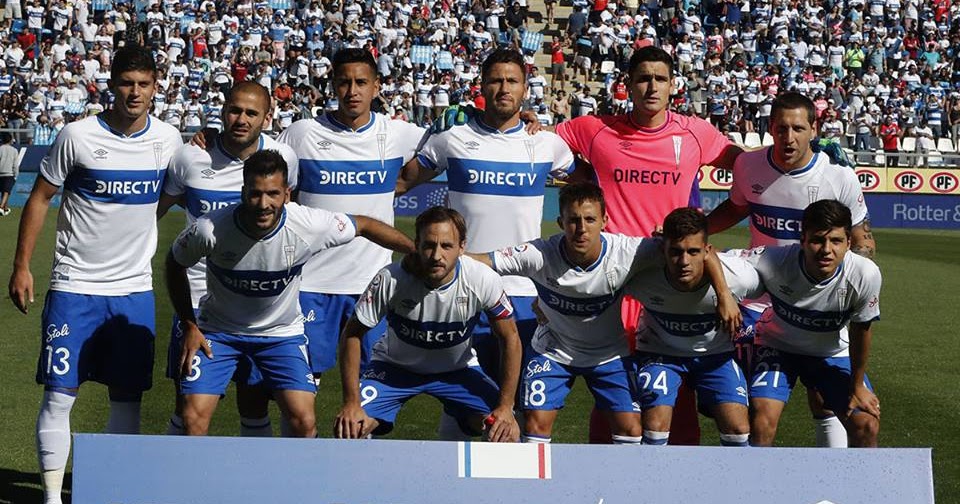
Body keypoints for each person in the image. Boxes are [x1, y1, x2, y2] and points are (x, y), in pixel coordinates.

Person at [8, 45, 183, 504]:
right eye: (127, 83)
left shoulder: (169, 140)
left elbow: (178, 190)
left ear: (155, 87)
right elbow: (41, 198)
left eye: (144, 84)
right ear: (112, 85)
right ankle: (50, 497)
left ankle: (111, 492)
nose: (135, 92)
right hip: (75, 287)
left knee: (127, 398)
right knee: (60, 396)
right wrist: (22, 266)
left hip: (133, 291)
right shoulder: (77, 136)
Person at [555, 45, 742, 445]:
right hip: (620, 280)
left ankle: (676, 482)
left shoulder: (695, 133)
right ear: (628, 86)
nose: (651, 86)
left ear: (673, 85)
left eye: (660, 78)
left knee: (678, 387)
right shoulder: (596, 130)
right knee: (615, 387)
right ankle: (607, 479)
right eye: (643, 78)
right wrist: (534, 123)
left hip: (675, 278)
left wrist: (702, 228)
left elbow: (747, 171)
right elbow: (547, 144)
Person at [468, 183, 740, 445]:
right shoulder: (539, 253)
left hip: (609, 353)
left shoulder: (630, 252)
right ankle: (537, 488)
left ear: (604, 220)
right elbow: (482, 261)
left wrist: (724, 294)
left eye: (589, 219)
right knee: (535, 423)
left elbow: (700, 252)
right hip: (554, 350)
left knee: (632, 429)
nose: (581, 229)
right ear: (561, 222)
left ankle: (623, 491)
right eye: (573, 220)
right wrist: (446, 255)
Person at [167, 149, 414, 437]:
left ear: (287, 194)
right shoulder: (210, 229)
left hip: (281, 334)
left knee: (304, 421)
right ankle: (198, 481)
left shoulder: (309, 225)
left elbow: (365, 225)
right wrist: (189, 323)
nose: (263, 204)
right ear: (243, 191)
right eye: (255, 193)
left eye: (272, 194)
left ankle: (298, 482)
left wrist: (416, 253)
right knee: (192, 418)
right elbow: (174, 264)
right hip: (218, 332)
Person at [396, 48, 574, 440]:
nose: (503, 88)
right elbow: (399, 183)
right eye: (495, 80)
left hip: (528, 294)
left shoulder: (547, 145)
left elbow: (590, 186)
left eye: (512, 80)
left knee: (526, 407)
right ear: (482, 86)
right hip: (464, 290)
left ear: (526, 88)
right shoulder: (453, 136)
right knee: (462, 399)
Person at [707, 91, 876, 447]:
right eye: (781, 128)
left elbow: (862, 239)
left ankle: (833, 487)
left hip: (820, 300)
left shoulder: (838, 176)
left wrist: (845, 279)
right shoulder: (748, 166)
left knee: (825, 400)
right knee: (759, 411)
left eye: (798, 128)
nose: (789, 137)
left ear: (813, 129)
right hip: (763, 301)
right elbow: (736, 208)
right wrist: (698, 230)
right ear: (769, 129)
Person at [157, 81, 300, 437]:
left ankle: (253, 487)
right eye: (234, 110)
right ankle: (177, 487)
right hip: (196, 303)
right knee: (187, 404)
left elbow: (290, 216)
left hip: (257, 304)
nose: (241, 119)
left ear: (267, 117)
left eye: (251, 113)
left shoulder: (284, 158)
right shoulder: (190, 157)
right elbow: (154, 213)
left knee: (254, 401)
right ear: (222, 111)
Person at [334, 207, 521, 442]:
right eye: (429, 245)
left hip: (458, 371)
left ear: (462, 246)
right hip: (394, 370)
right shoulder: (391, 278)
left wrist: (505, 406)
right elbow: (352, 334)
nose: (436, 255)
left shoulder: (483, 279)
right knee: (350, 429)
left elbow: (510, 338)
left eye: (446, 246)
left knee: (505, 433)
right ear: (417, 244)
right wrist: (351, 403)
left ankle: (464, 454)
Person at [742, 200, 882, 447]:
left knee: (866, 424)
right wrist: (725, 297)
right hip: (778, 346)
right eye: (817, 240)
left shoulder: (864, 274)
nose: (826, 250)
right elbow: (717, 260)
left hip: (830, 352)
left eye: (836, 241)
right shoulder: (774, 259)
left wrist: (857, 386)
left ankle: (857, 485)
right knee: (761, 420)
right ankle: (754, 483)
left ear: (849, 243)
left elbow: (862, 330)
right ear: (802, 240)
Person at [626, 207, 763, 447]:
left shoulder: (738, 278)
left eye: (693, 252)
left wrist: (726, 297)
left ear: (708, 251)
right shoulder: (639, 273)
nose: (684, 262)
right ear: (662, 249)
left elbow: (775, 287)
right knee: (655, 425)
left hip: (715, 356)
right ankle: (650, 481)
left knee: (739, 428)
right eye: (676, 252)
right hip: (660, 354)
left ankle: (739, 483)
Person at [0, 132, 19, 216]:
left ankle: (5, 208)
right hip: (9, 173)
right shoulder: (14, 150)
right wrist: (16, 174)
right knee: (6, 191)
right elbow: (15, 164)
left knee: (4, 192)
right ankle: (1, 207)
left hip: (0, 173)